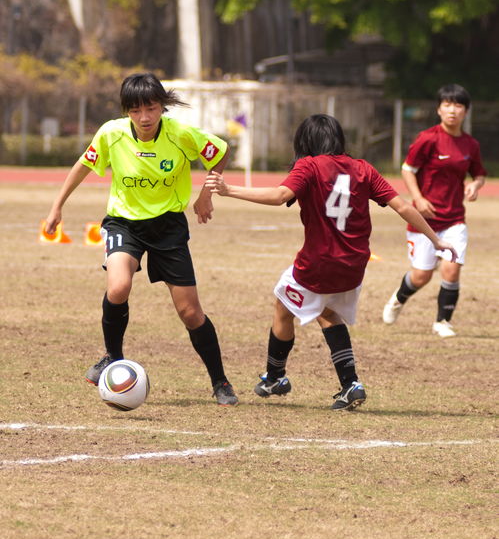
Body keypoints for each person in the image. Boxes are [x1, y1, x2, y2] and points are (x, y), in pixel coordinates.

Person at [204, 114, 457, 410]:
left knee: (283, 305)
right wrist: (436, 240)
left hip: (319, 262)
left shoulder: (309, 165)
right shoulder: (363, 168)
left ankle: (277, 377)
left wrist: (228, 189)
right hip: (354, 265)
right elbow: (402, 206)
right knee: (324, 312)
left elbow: (279, 195)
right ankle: (347, 384)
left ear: (306, 141)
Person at [45, 72, 238, 406]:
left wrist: (207, 194)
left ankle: (220, 381)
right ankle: (112, 357)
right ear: (126, 111)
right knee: (117, 287)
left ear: (162, 106)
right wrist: (56, 206)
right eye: (135, 111)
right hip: (124, 223)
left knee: (190, 313)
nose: (144, 117)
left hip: (168, 226)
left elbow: (219, 151)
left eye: (151, 108)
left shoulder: (180, 134)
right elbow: (82, 165)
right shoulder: (112, 133)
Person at [382, 84, 486, 338]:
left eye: (458, 106)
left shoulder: (470, 144)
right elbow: (408, 169)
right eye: (447, 105)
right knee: (421, 277)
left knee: (452, 268)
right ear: (439, 109)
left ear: (466, 111)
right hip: (424, 219)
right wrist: (417, 198)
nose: (452, 110)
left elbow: (480, 173)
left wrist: (475, 184)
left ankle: (442, 322)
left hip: (454, 219)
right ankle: (398, 298)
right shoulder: (428, 138)